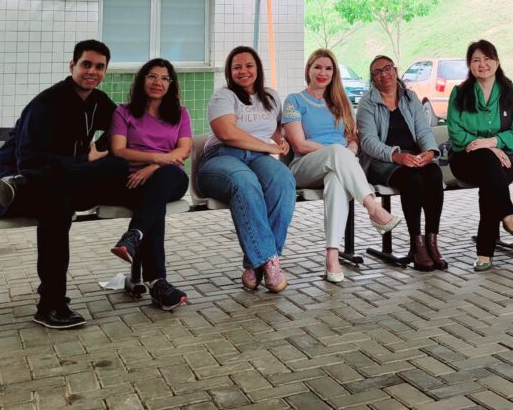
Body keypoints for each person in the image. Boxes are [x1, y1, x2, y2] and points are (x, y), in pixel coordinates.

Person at [0, 40, 129, 328]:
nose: (92, 71)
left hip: (62, 178)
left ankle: (153, 276)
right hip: (13, 181)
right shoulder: (46, 104)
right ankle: (50, 304)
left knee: (118, 169)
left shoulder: (98, 102)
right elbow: (30, 161)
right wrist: (84, 161)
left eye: (99, 67)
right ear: (72, 66)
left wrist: (102, 149)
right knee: (56, 204)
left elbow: (123, 127)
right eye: (86, 64)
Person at [283, 49, 401, 283]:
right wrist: (337, 153)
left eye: (328, 68)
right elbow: (299, 143)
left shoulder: (341, 102)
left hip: (338, 166)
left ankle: (332, 257)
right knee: (337, 152)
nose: (323, 73)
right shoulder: (294, 101)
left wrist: (349, 153)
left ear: (334, 73)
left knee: (337, 180)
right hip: (304, 167)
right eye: (318, 67)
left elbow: (353, 139)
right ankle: (373, 208)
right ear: (308, 69)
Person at [197, 46, 295, 293]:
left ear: (258, 68)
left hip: (258, 158)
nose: (244, 71)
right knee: (245, 182)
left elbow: (275, 128)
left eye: (249, 65)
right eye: (237, 67)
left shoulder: (270, 96)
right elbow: (227, 133)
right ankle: (270, 262)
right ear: (229, 72)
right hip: (222, 157)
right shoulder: (224, 96)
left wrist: (280, 139)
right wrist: (267, 146)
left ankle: (257, 263)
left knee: (283, 179)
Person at [108, 58, 193, 310]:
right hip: (133, 181)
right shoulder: (123, 112)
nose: (158, 82)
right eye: (152, 76)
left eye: (165, 78)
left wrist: (155, 166)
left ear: (171, 84)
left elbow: (184, 150)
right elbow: (119, 150)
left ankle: (133, 236)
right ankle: (158, 283)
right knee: (153, 204)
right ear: (142, 79)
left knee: (162, 181)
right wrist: (158, 158)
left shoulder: (180, 113)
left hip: (171, 178)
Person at [357, 55, 446, 271]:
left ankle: (432, 242)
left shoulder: (410, 97)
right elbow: (368, 142)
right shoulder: (367, 103)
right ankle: (417, 245)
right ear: (373, 78)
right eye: (377, 72)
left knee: (434, 174)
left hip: (412, 157)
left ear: (395, 71)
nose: (384, 74)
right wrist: (396, 156)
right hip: (382, 161)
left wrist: (429, 152)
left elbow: (423, 130)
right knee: (412, 179)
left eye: (388, 68)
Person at [447, 39, 513, 271]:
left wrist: (492, 142)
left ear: (497, 61)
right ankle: (508, 215)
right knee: (487, 162)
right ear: (469, 65)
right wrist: (490, 148)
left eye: (487, 58)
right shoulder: (460, 93)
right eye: (476, 60)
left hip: (505, 161)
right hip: (465, 160)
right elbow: (455, 132)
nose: (482, 64)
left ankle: (485, 253)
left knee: (490, 180)